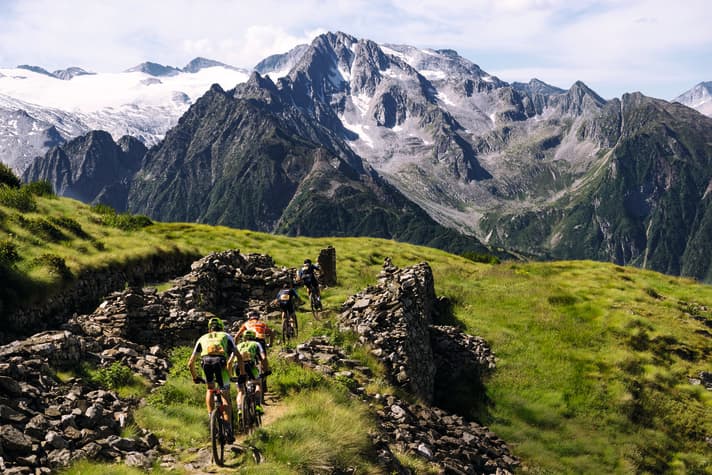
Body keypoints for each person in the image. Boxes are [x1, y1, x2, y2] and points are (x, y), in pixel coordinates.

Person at [188, 316, 245, 443]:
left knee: (210, 388)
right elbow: (238, 356)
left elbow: (190, 363)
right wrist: (242, 374)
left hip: (206, 363)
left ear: (209, 328)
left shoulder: (202, 338)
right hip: (220, 363)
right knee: (225, 395)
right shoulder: (226, 336)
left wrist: (195, 377)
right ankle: (228, 429)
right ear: (221, 327)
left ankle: (210, 415)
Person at [236, 329, 267, 415]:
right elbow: (263, 358)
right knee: (257, 384)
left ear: (244, 338)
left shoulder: (238, 345)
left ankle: (239, 409)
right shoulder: (256, 344)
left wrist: (231, 375)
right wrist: (266, 370)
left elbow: (230, 361)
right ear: (253, 337)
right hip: (250, 366)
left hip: (237, 367)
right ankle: (257, 405)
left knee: (240, 391)